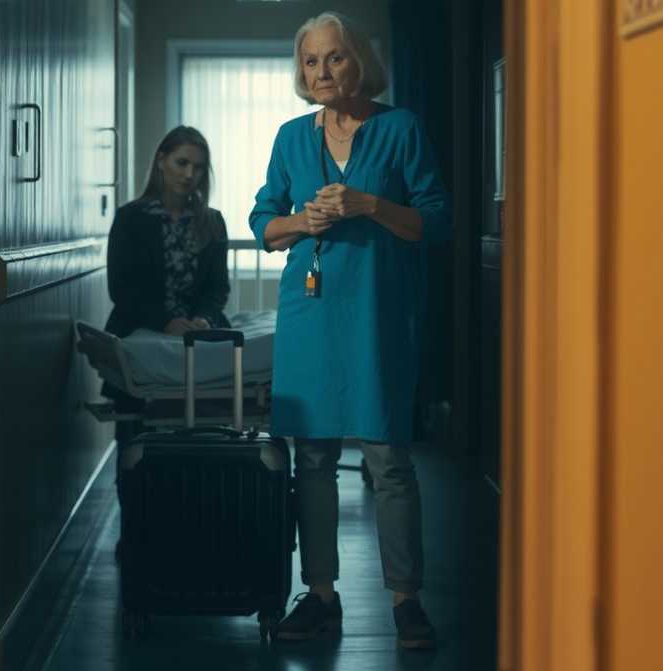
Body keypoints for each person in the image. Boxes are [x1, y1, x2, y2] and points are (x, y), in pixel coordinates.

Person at [248, 11, 450, 649]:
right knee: (312, 458)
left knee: (388, 458)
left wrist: (370, 205)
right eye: (310, 61)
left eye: (333, 57)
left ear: (358, 60)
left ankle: (406, 602)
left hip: (377, 315)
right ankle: (320, 595)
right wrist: (301, 222)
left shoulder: (400, 128)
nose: (322, 71)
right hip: (308, 316)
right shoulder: (290, 138)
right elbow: (263, 222)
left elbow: (435, 221)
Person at [104, 126, 231, 558]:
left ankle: (192, 531)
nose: (189, 174)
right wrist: (165, 321)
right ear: (161, 160)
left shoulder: (211, 222)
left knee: (198, 440)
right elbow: (121, 287)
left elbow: (218, 288)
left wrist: (203, 319)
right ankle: (135, 533)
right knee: (134, 442)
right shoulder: (131, 218)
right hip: (142, 331)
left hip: (195, 336)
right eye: (182, 163)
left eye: (198, 167)